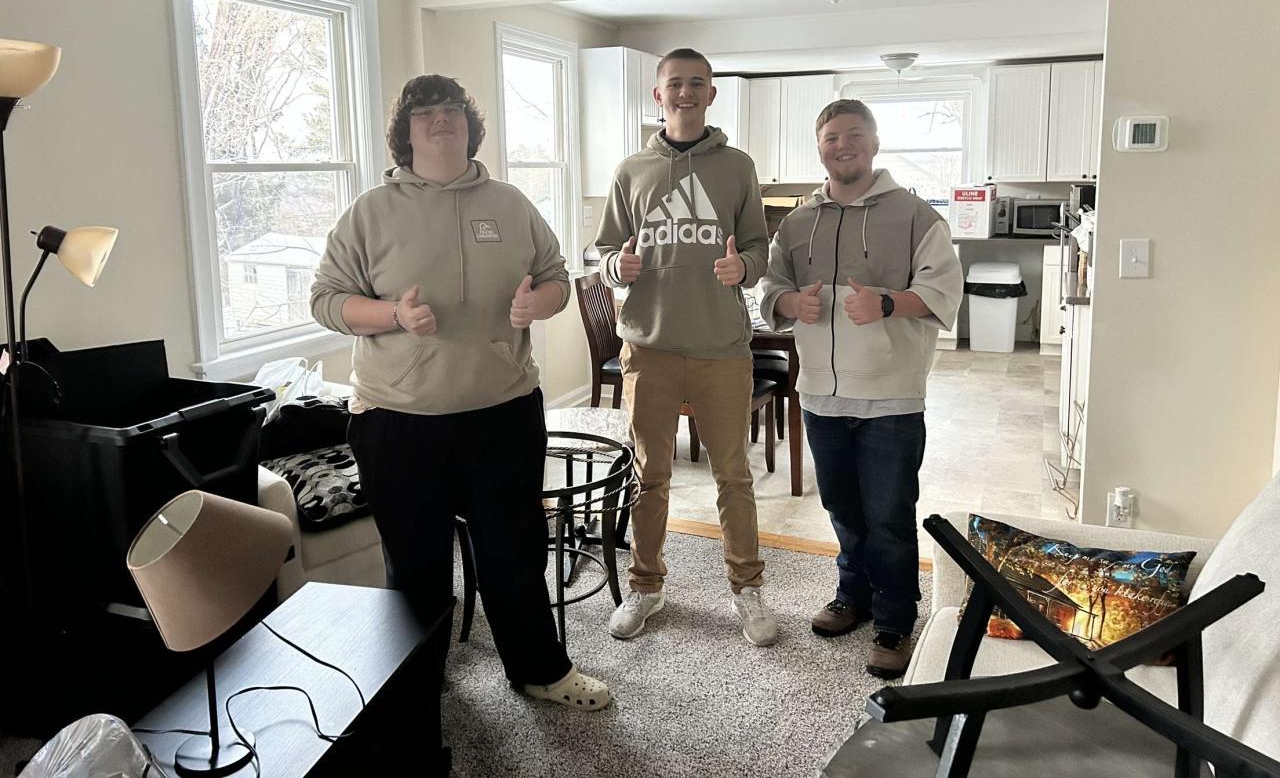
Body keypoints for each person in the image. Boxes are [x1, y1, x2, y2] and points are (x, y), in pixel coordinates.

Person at [311, 74, 610, 710]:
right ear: (405, 133)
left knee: (515, 554)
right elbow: (327, 300)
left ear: (471, 126)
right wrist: (393, 315)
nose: (440, 120)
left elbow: (557, 278)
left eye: (451, 110)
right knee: (415, 566)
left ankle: (540, 670)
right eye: (425, 113)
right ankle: (418, 683)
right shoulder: (370, 211)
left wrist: (538, 304)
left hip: (503, 412)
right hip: (398, 419)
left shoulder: (510, 203)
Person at [758, 98, 963, 678]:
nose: (842, 146)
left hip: (890, 397)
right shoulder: (797, 223)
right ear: (819, 148)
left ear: (874, 144)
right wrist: (787, 302)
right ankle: (854, 595)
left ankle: (895, 619)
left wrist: (889, 303)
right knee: (843, 509)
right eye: (831, 138)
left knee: (889, 516)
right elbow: (770, 285)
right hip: (820, 394)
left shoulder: (916, 216)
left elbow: (944, 290)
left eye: (853, 135)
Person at [594, 48, 777, 646]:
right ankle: (646, 586)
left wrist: (743, 267)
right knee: (650, 476)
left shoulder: (737, 167)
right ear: (659, 94)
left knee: (733, 476)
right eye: (675, 83)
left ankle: (747, 588)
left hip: (721, 346)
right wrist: (615, 267)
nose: (686, 92)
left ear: (711, 94)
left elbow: (760, 248)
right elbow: (604, 251)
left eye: (698, 83)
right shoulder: (631, 171)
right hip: (648, 347)